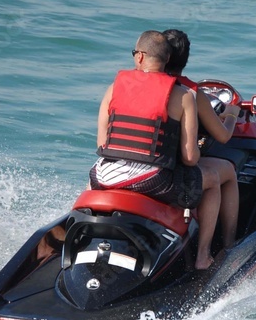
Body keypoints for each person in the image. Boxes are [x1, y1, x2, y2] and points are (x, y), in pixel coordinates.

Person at [90, 30, 223, 269]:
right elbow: (190, 158)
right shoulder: (184, 95)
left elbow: (102, 145)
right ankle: (203, 256)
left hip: (105, 177)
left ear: (140, 57)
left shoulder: (114, 87)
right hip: (152, 181)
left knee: (91, 178)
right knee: (212, 180)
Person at [162, 28, 240, 255]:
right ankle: (223, 247)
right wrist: (232, 115)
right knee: (225, 173)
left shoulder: (140, 87)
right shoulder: (191, 93)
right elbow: (223, 136)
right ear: (184, 59)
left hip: (137, 165)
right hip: (171, 172)